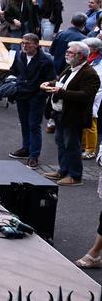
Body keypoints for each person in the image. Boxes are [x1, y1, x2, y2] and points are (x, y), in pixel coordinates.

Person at [41, 41, 100, 186]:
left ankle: (75, 176)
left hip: (74, 116)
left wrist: (61, 92)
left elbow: (85, 95)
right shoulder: (70, 67)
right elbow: (62, 82)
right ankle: (63, 170)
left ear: (80, 56)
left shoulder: (90, 74)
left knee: (72, 145)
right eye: (68, 51)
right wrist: (50, 83)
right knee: (61, 143)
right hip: (60, 113)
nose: (66, 53)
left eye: (70, 52)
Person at [8, 33, 57, 169]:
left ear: (36, 44)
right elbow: (14, 70)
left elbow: (52, 79)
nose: (24, 45)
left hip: (36, 98)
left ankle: (34, 156)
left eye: (28, 43)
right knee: (24, 124)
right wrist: (12, 82)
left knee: (34, 126)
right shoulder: (20, 55)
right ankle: (26, 149)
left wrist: (41, 93)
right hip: (21, 96)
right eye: (23, 43)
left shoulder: (45, 61)